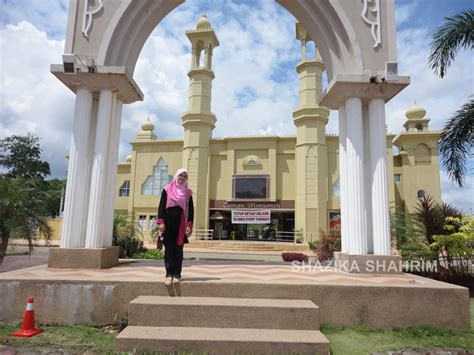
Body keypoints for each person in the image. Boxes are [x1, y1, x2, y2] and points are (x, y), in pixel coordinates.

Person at [157, 168, 194, 285]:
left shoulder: (188, 193)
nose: (182, 177)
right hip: (168, 221)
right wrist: (161, 222)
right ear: (176, 176)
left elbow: (191, 210)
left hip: (181, 222)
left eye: (184, 176)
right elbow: (161, 206)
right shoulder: (167, 190)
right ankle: (169, 274)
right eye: (180, 175)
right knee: (168, 249)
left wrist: (189, 224)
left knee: (178, 250)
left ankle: (177, 274)